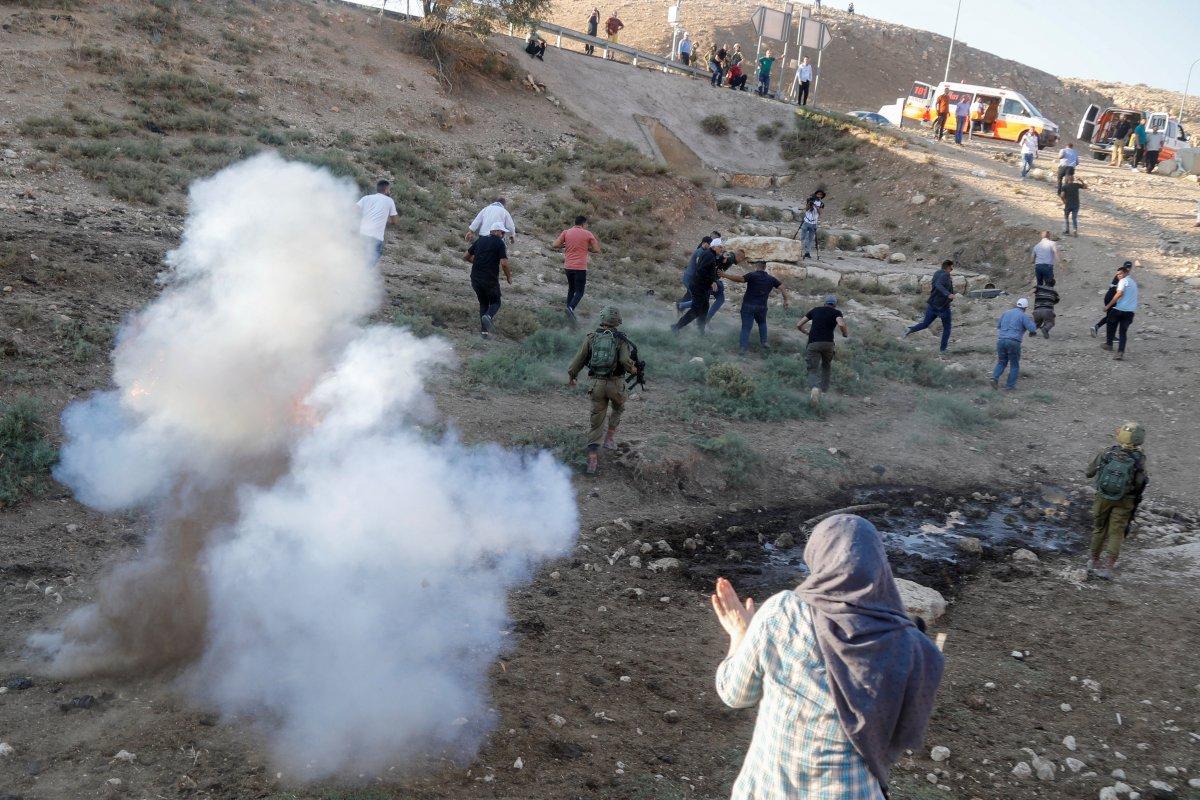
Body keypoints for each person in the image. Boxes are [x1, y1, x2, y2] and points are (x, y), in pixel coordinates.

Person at [711, 515, 944, 800]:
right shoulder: (905, 642)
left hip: (768, 788)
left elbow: (735, 694)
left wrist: (740, 634)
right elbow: (902, 725)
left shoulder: (782, 611)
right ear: (878, 565)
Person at [567, 306, 639, 476]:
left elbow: (578, 361)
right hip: (616, 385)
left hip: (597, 385)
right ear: (618, 322)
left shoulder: (591, 338)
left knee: (596, 420)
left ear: (602, 319)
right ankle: (609, 439)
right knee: (619, 407)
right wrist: (633, 369)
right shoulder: (621, 339)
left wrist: (572, 376)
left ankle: (592, 460)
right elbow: (624, 360)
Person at [1084, 422, 1148, 580]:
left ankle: (1094, 561)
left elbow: (1089, 473)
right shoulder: (1139, 458)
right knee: (1116, 532)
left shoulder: (1107, 453)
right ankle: (1108, 568)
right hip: (1125, 500)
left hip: (1103, 497)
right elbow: (1141, 482)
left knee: (1099, 528)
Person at [722, 262, 788, 355]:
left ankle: (743, 348)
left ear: (756, 266)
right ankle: (764, 342)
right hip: (762, 306)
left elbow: (740, 279)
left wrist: (725, 275)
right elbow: (782, 287)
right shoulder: (771, 279)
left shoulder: (752, 275)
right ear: (765, 267)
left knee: (746, 327)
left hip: (748, 305)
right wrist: (785, 300)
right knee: (762, 323)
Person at [552, 215, 601, 326]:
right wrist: (587, 248)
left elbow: (554, 244)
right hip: (580, 267)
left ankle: (568, 312)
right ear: (583, 224)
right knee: (580, 291)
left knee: (571, 289)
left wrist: (564, 245)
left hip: (568, 266)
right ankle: (570, 308)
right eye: (586, 224)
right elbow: (597, 249)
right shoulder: (587, 234)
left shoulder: (566, 232)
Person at [798, 295, 847, 405]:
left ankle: (814, 389)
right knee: (826, 366)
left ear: (825, 303)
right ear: (834, 304)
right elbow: (840, 323)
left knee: (812, 369)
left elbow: (799, 324)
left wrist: (806, 332)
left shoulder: (815, 310)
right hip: (828, 344)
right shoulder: (836, 312)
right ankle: (823, 391)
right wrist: (845, 333)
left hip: (813, 343)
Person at [463, 228, 511, 340]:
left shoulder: (481, 240)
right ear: (496, 231)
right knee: (496, 302)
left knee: (483, 303)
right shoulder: (500, 242)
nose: (503, 234)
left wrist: (479, 262)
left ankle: (484, 333)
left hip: (475, 278)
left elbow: (465, 256)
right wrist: (508, 276)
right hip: (489, 279)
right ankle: (488, 316)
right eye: (502, 232)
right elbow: (504, 263)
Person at [672, 237, 724, 334]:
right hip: (698, 286)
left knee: (704, 308)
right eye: (720, 247)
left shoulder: (710, 254)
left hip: (701, 286)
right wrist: (712, 281)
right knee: (696, 310)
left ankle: (701, 331)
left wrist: (712, 280)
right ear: (714, 247)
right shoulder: (709, 256)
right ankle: (676, 327)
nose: (722, 249)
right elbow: (701, 270)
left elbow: (708, 270)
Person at [904, 259, 956, 353]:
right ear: (948, 267)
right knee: (947, 327)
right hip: (943, 307)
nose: (952, 269)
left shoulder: (937, 273)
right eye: (952, 267)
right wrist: (948, 294)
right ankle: (943, 349)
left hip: (932, 305)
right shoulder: (946, 275)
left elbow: (936, 284)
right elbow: (938, 284)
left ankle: (910, 329)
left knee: (925, 324)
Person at [990, 298, 1037, 390]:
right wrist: (1033, 322)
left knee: (1002, 362)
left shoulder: (1006, 313)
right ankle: (1010, 386)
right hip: (1013, 342)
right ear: (1025, 307)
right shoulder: (1023, 316)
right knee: (1014, 364)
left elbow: (999, 326)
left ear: (1017, 304)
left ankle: (994, 378)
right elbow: (1032, 329)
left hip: (1001, 340)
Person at [356, 179, 398, 266]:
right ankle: (359, 275)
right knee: (373, 258)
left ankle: (352, 274)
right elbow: (395, 221)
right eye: (389, 189)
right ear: (386, 190)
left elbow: (353, 210)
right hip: (376, 236)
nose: (389, 191)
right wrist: (387, 221)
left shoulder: (366, 198)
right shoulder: (389, 201)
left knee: (360, 257)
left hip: (363, 233)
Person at [1103, 262, 1137, 360]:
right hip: (1130, 312)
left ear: (1126, 273)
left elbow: (1119, 294)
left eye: (1120, 274)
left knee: (1110, 321)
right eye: (1117, 274)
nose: (1118, 276)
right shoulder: (1133, 283)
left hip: (1120, 309)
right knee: (1123, 332)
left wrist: (1108, 306)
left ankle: (1109, 344)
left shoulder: (1123, 281)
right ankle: (1120, 352)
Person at [1090, 261, 1129, 338]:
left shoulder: (1119, 275)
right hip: (1111, 298)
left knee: (1109, 317)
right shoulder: (1122, 277)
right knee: (1112, 318)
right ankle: (1110, 336)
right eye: (1127, 268)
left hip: (1108, 296)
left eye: (1129, 268)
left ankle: (1096, 327)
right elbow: (1119, 292)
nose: (1128, 270)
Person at [676, 234, 714, 311]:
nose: (710, 246)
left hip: (690, 277)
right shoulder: (700, 252)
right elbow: (699, 266)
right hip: (689, 277)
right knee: (695, 297)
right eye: (709, 244)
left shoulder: (703, 251)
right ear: (704, 243)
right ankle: (680, 306)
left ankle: (680, 308)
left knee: (690, 294)